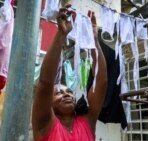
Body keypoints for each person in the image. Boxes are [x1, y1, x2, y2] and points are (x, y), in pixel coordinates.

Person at [32, 4, 107, 141]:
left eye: (69, 91)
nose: (67, 94)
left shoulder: (87, 121)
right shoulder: (44, 124)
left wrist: (93, 40)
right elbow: (45, 83)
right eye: (59, 93)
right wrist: (61, 34)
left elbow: (101, 82)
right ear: (48, 102)